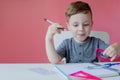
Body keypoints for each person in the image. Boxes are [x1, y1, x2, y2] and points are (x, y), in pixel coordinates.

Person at [45, 1, 120, 64]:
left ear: (91, 24)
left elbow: (112, 53)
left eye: (86, 24)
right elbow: (54, 60)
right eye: (75, 25)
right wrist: (48, 39)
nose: (81, 29)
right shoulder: (66, 44)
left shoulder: (97, 43)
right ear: (68, 26)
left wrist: (117, 47)